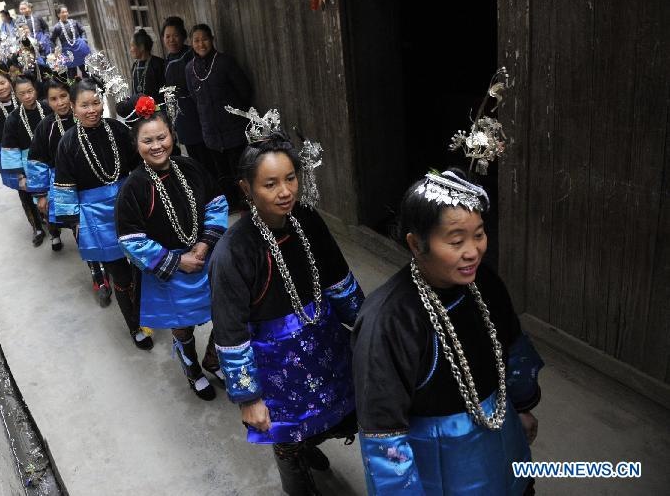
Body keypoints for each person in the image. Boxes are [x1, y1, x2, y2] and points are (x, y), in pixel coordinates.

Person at [352, 169, 544, 495]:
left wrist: (522, 407)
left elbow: (512, 352)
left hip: (501, 432)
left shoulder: (486, 284)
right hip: (442, 464)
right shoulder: (390, 320)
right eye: (456, 241)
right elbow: (384, 435)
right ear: (416, 244)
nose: (472, 252)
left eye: (479, 235)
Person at [210, 126, 364, 494]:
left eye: (290, 178)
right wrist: (249, 398)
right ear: (246, 189)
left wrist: (368, 333)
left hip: (325, 344)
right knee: (285, 439)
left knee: (340, 416)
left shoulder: (308, 220)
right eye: (270, 184)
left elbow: (340, 283)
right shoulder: (233, 252)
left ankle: (309, 445)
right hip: (276, 365)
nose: (285, 192)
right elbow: (230, 331)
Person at [116, 97, 228, 400]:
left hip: (205, 258)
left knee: (226, 313)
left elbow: (216, 203)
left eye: (162, 137)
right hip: (168, 271)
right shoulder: (133, 188)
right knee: (183, 328)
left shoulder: (190, 167)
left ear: (172, 136)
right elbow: (131, 240)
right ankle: (192, 371)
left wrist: (204, 246)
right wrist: (178, 263)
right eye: (147, 140)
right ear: (136, 144)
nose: (156, 145)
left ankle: (213, 359)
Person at [53, 78, 152, 349]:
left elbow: (141, 164)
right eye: (84, 105)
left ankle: (148, 312)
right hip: (96, 218)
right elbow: (64, 188)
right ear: (73, 108)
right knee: (119, 274)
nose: (92, 109)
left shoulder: (118, 130)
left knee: (143, 265)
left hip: (130, 207)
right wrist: (75, 224)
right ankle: (135, 326)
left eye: (95, 102)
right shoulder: (67, 143)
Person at [25, 79, 113, 294]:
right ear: (47, 101)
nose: (60, 103)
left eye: (63, 96)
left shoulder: (90, 118)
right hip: (64, 188)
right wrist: (41, 194)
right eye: (53, 99)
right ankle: (97, 272)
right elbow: (37, 161)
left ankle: (113, 265)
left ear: (72, 99)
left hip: (97, 183)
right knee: (80, 229)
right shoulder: (46, 127)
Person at [185, 24, 251, 208]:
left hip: (234, 128)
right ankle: (231, 203)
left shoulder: (225, 62)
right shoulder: (190, 69)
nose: (201, 44)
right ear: (191, 43)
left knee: (240, 169)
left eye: (204, 39)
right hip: (211, 132)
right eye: (196, 40)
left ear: (212, 39)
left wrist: (234, 113)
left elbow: (244, 90)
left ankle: (247, 203)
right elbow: (193, 96)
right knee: (221, 172)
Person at [0, 76, 57, 247]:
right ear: (16, 95)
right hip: (28, 165)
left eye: (30, 91)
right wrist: (19, 176)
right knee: (36, 200)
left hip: (53, 158)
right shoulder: (13, 119)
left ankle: (58, 229)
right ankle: (44, 230)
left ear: (36, 90)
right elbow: (10, 147)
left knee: (54, 197)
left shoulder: (48, 108)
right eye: (22, 93)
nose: (27, 96)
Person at [161, 17, 210, 170]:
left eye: (175, 35)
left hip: (196, 113)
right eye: (167, 36)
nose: (171, 40)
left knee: (206, 156)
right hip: (182, 117)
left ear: (183, 36)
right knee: (193, 157)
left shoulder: (190, 55)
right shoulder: (168, 59)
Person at [50, 4, 90, 77]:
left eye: (66, 12)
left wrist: (84, 40)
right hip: (68, 51)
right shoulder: (57, 27)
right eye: (63, 12)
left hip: (79, 48)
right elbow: (52, 40)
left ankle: (88, 85)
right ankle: (75, 87)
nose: (65, 14)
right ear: (58, 14)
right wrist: (55, 50)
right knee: (72, 74)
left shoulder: (74, 22)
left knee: (85, 70)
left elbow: (82, 31)